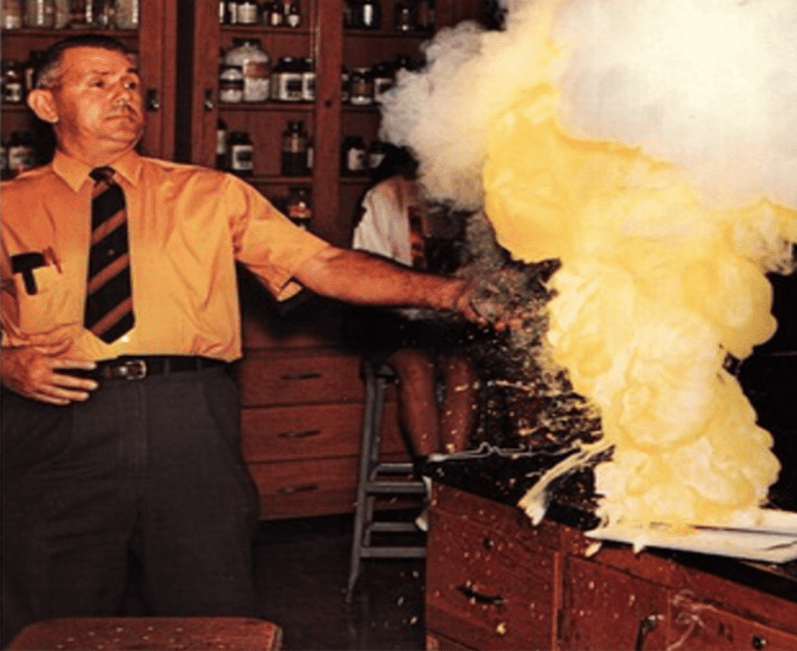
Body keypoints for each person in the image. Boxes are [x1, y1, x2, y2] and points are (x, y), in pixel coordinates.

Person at [0, 35, 504, 647]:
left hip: (188, 417)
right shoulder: (10, 206)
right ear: (46, 104)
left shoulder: (210, 194)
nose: (123, 95)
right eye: (98, 82)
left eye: (131, 82)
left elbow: (323, 264)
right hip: (57, 418)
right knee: (50, 616)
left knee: (210, 608)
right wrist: (5, 363)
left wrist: (452, 294)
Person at [352, 152, 479, 465]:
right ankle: (430, 478)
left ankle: (450, 477)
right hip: (388, 319)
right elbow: (366, 276)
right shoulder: (385, 195)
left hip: (444, 323)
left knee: (462, 369)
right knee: (416, 368)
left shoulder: (463, 196)